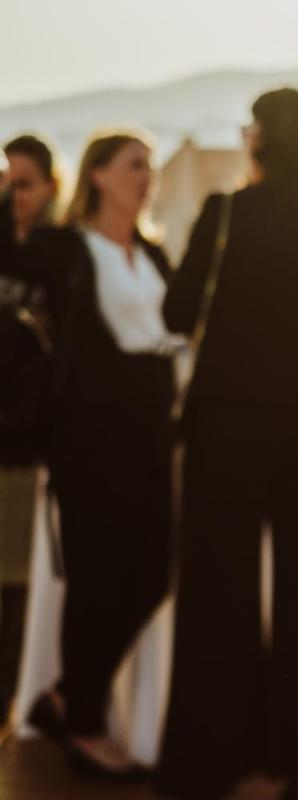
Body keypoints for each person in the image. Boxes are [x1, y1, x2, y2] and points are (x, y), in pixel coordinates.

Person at [155, 88, 298, 800]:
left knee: (217, 591)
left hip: (226, 424)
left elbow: (177, 311)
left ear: (263, 140)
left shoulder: (225, 215)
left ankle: (211, 757)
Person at [22, 130, 175, 780]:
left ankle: (66, 697)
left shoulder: (154, 254)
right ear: (99, 176)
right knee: (95, 577)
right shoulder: (65, 250)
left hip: (151, 436)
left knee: (151, 574)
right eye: (134, 165)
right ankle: (82, 720)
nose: (147, 177)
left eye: (150, 167)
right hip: (87, 439)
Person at [0, 134, 60, 724]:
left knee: (18, 588)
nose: (14, 196)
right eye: (6, 184)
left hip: (27, 450)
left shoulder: (57, 259)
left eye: (24, 184)